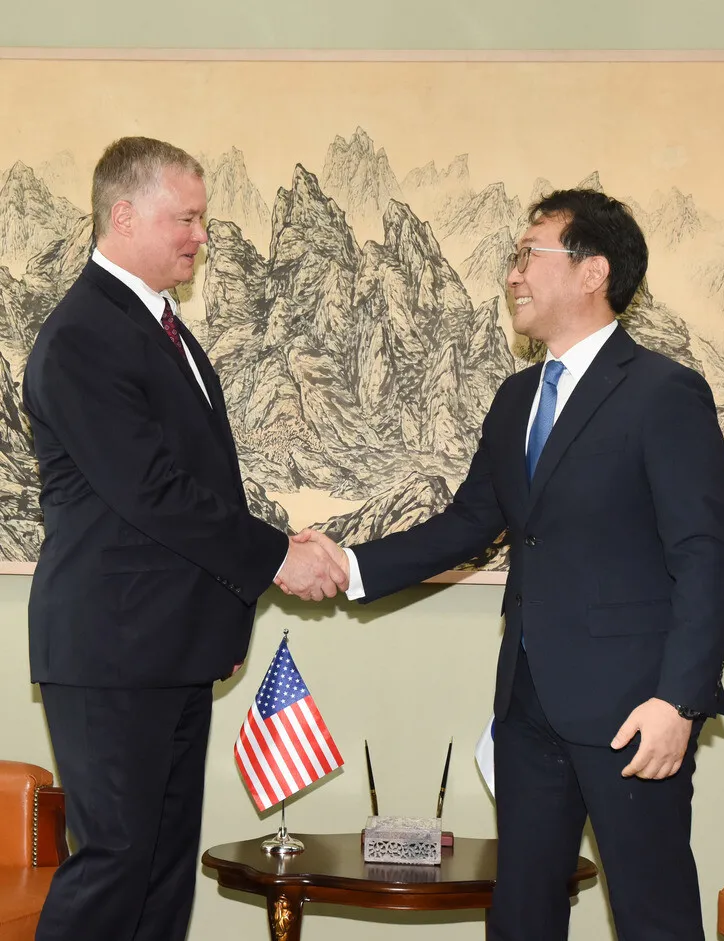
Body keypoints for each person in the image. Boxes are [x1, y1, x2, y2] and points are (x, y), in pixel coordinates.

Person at [280, 189, 724, 940]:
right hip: (526, 706)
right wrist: (350, 565)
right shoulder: (518, 395)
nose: (513, 274)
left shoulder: (664, 392)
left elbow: (703, 557)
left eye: (530, 254)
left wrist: (678, 702)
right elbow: (469, 523)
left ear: (592, 271)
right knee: (520, 913)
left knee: (652, 914)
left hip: (633, 712)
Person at [22, 136, 345, 941]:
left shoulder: (155, 324)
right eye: (187, 218)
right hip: (112, 651)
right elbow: (153, 493)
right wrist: (278, 557)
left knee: (161, 871)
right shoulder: (84, 334)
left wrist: (219, 621)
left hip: (164, 648)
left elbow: (195, 491)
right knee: (116, 862)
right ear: (124, 215)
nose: (202, 236)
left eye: (203, 218)